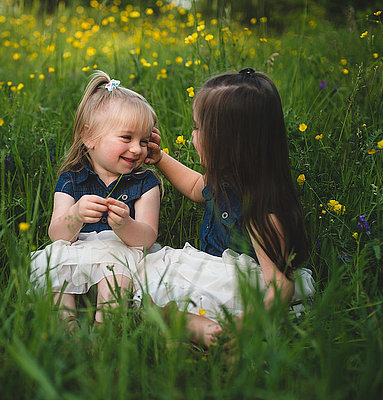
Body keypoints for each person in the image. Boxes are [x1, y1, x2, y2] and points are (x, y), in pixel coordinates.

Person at [139, 68, 314, 345]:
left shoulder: (261, 211)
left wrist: (244, 324)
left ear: (228, 143)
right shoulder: (226, 178)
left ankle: (218, 338)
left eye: (198, 128)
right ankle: (197, 330)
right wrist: (161, 158)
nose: (193, 135)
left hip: (245, 290)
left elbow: (280, 287)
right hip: (215, 274)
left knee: (161, 307)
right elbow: (196, 187)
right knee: (147, 291)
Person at [30, 70, 161, 329]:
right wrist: (76, 215)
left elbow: (147, 237)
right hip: (77, 252)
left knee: (117, 276)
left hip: (122, 253)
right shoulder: (72, 179)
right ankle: (67, 329)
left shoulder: (145, 182)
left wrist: (125, 225)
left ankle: (105, 332)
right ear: (89, 137)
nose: (137, 149)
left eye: (144, 141)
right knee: (53, 266)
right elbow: (58, 235)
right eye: (127, 138)